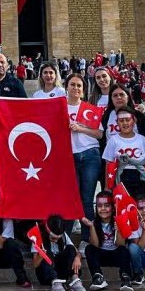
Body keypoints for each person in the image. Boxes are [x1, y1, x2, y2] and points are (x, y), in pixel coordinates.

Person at [65, 73, 102, 234]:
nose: (76, 88)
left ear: (84, 89)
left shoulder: (89, 108)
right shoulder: (59, 107)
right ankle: (65, 237)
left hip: (89, 155)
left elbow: (100, 134)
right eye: (72, 85)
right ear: (66, 87)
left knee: (87, 198)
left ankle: (88, 238)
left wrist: (80, 128)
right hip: (68, 156)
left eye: (79, 85)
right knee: (71, 197)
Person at [82, 191, 134, 291]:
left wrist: (119, 230)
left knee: (124, 250)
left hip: (115, 254)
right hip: (101, 255)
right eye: (100, 206)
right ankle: (98, 277)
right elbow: (95, 245)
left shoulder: (119, 221)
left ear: (113, 207)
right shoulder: (94, 223)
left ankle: (126, 278)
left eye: (107, 206)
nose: (103, 209)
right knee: (89, 248)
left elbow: (120, 244)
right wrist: (91, 227)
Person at [102, 105, 145, 199]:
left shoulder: (143, 140)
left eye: (127, 120)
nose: (125, 123)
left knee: (141, 205)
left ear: (134, 121)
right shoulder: (113, 141)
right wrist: (107, 186)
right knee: (124, 207)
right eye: (121, 121)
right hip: (121, 177)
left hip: (141, 177)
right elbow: (108, 164)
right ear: (117, 122)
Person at [33, 214, 87, 291]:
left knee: (70, 248)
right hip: (46, 274)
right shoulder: (38, 236)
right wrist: (41, 255)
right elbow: (35, 264)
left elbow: (75, 250)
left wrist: (77, 258)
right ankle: (55, 282)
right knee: (48, 253)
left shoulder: (63, 236)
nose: (56, 240)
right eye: (53, 238)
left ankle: (75, 279)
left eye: (58, 238)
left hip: (60, 271)